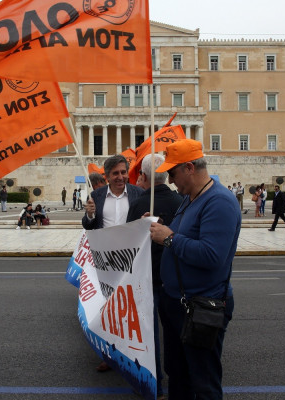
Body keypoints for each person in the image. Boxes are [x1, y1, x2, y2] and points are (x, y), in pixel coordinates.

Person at [149, 139, 241, 399]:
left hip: (201, 304)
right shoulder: (190, 198)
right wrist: (159, 226)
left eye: (172, 172)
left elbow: (212, 255)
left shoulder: (219, 202)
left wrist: (168, 238)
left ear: (189, 167)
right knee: (178, 374)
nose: (169, 179)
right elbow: (186, 234)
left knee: (203, 380)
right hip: (178, 302)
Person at [126, 154, 182, 399]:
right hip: (173, 280)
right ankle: (179, 385)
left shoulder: (139, 205)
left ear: (145, 176)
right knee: (174, 336)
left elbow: (128, 244)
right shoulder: (181, 201)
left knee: (149, 338)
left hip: (146, 280)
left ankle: (155, 387)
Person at [82, 154, 145, 372]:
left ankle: (133, 356)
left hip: (131, 262)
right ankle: (109, 355)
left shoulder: (139, 194)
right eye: (115, 173)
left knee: (131, 311)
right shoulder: (97, 195)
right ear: (107, 176)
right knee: (109, 312)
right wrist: (89, 216)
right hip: (105, 263)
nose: (121, 177)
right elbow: (88, 226)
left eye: (123, 172)